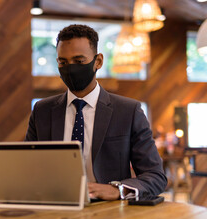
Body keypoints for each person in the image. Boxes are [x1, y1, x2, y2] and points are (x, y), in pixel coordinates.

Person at [25, 24, 167, 200]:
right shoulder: (42, 111)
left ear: (98, 61)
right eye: (63, 62)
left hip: (108, 212)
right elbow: (28, 169)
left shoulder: (128, 111)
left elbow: (155, 176)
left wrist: (118, 190)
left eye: (79, 61)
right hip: (53, 206)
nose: (70, 68)